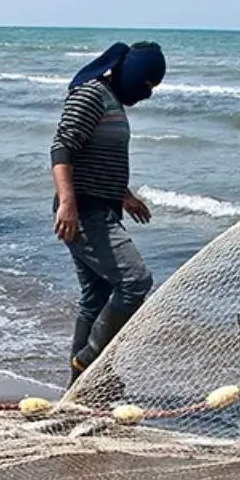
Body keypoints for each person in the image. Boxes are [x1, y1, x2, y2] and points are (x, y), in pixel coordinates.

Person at [51, 41, 166, 387]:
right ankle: (90, 364)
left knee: (96, 298)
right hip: (84, 211)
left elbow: (98, 157)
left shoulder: (112, 100)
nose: (148, 93)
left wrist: (125, 195)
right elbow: (62, 148)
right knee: (136, 281)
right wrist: (68, 203)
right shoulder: (91, 95)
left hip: (102, 205)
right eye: (147, 83)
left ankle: (79, 387)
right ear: (132, 73)